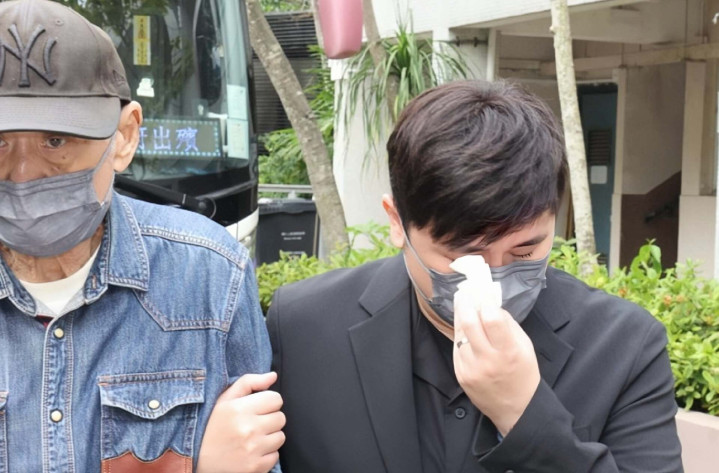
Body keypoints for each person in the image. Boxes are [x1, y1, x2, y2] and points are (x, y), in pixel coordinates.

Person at [266, 80, 683, 472]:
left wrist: (524, 414)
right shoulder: (303, 327)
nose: (496, 283)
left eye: (525, 251)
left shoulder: (625, 346)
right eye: (465, 256)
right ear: (396, 221)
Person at [0, 1, 284, 472]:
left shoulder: (210, 276)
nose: (25, 173)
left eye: (56, 141)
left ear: (125, 137)